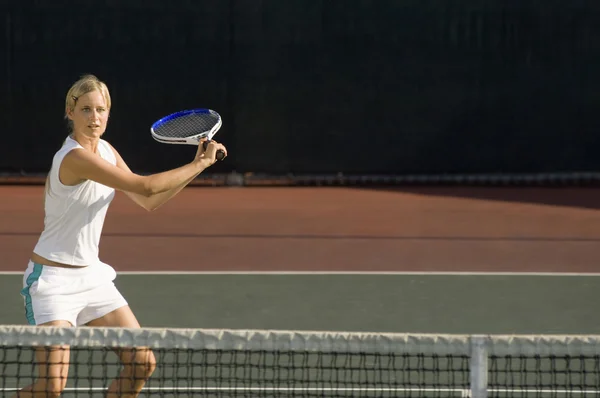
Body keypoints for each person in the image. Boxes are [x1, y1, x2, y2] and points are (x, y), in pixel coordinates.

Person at [14, 74, 227, 398]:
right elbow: (146, 185)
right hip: (52, 282)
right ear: (70, 113)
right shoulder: (74, 158)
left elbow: (149, 201)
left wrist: (198, 167)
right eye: (85, 109)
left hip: (92, 278)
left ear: (108, 113)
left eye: (100, 110)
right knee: (51, 387)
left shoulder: (108, 151)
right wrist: (200, 161)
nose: (94, 117)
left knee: (142, 363)